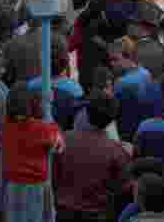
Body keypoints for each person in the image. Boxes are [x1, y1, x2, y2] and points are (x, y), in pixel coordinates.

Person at [53, 91, 131, 221]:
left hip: (63, 212)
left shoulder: (64, 139)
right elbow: (123, 186)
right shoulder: (116, 150)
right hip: (96, 213)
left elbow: (53, 175)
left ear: (87, 112)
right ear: (112, 119)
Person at [0, 87, 63, 222]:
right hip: (36, 186)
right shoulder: (42, 128)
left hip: (12, 185)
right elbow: (59, 146)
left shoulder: (5, 126)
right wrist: (49, 117)